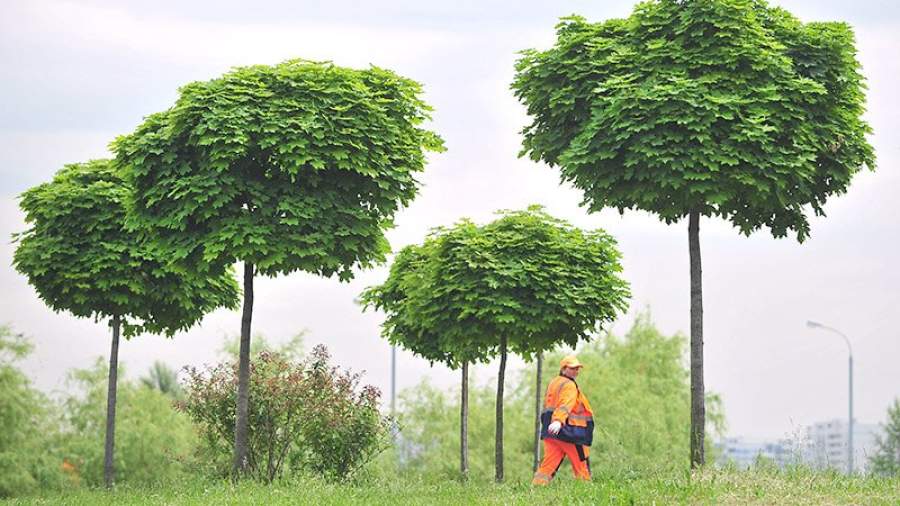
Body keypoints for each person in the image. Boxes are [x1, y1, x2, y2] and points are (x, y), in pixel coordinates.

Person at [532, 355, 594, 485]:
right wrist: (558, 421)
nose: (576, 371)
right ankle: (587, 491)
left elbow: (550, 405)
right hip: (570, 432)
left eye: (577, 368)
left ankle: (536, 488)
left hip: (551, 432)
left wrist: (553, 423)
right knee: (581, 465)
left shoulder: (554, 382)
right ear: (563, 369)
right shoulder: (569, 385)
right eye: (572, 368)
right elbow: (566, 404)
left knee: (547, 466)